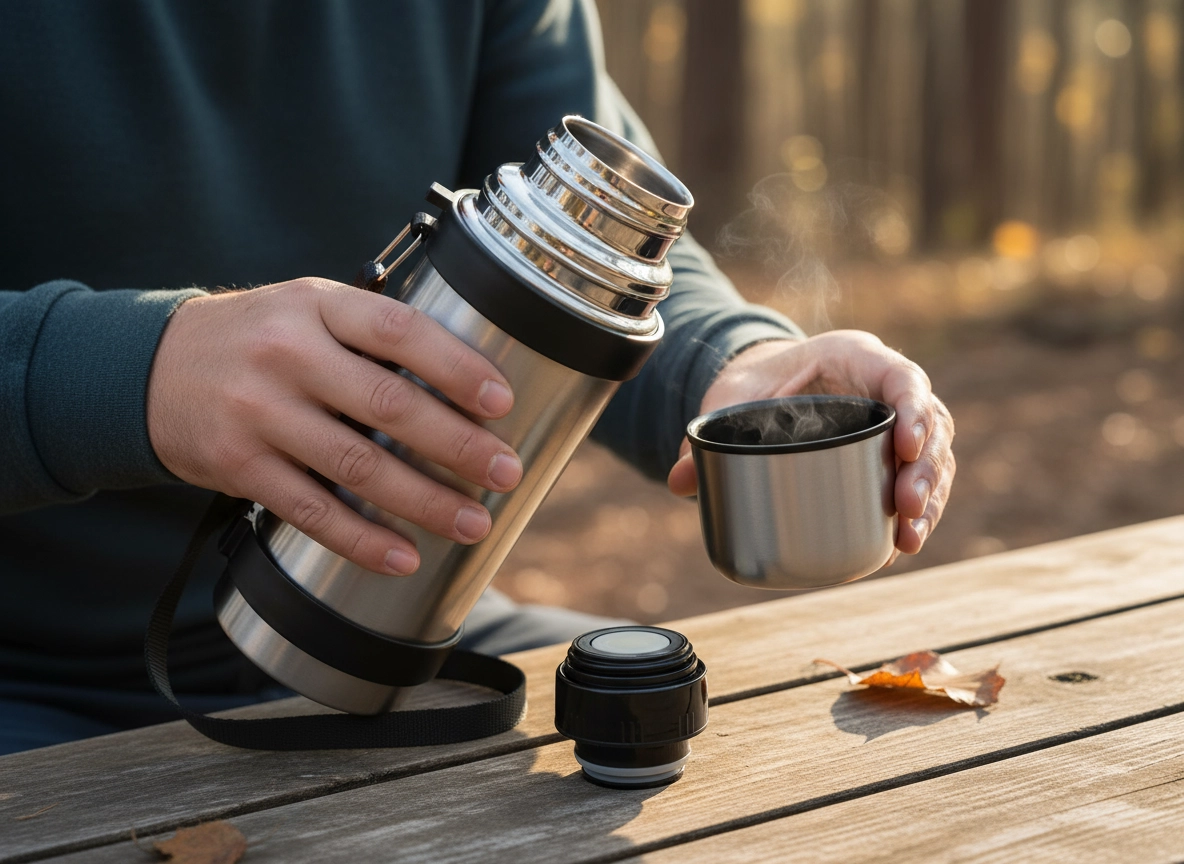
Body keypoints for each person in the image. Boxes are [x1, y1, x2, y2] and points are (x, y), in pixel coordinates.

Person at [0, 0, 954, 755]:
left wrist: (735, 366)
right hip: (34, 676)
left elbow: (593, 245)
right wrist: (141, 371)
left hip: (408, 626)